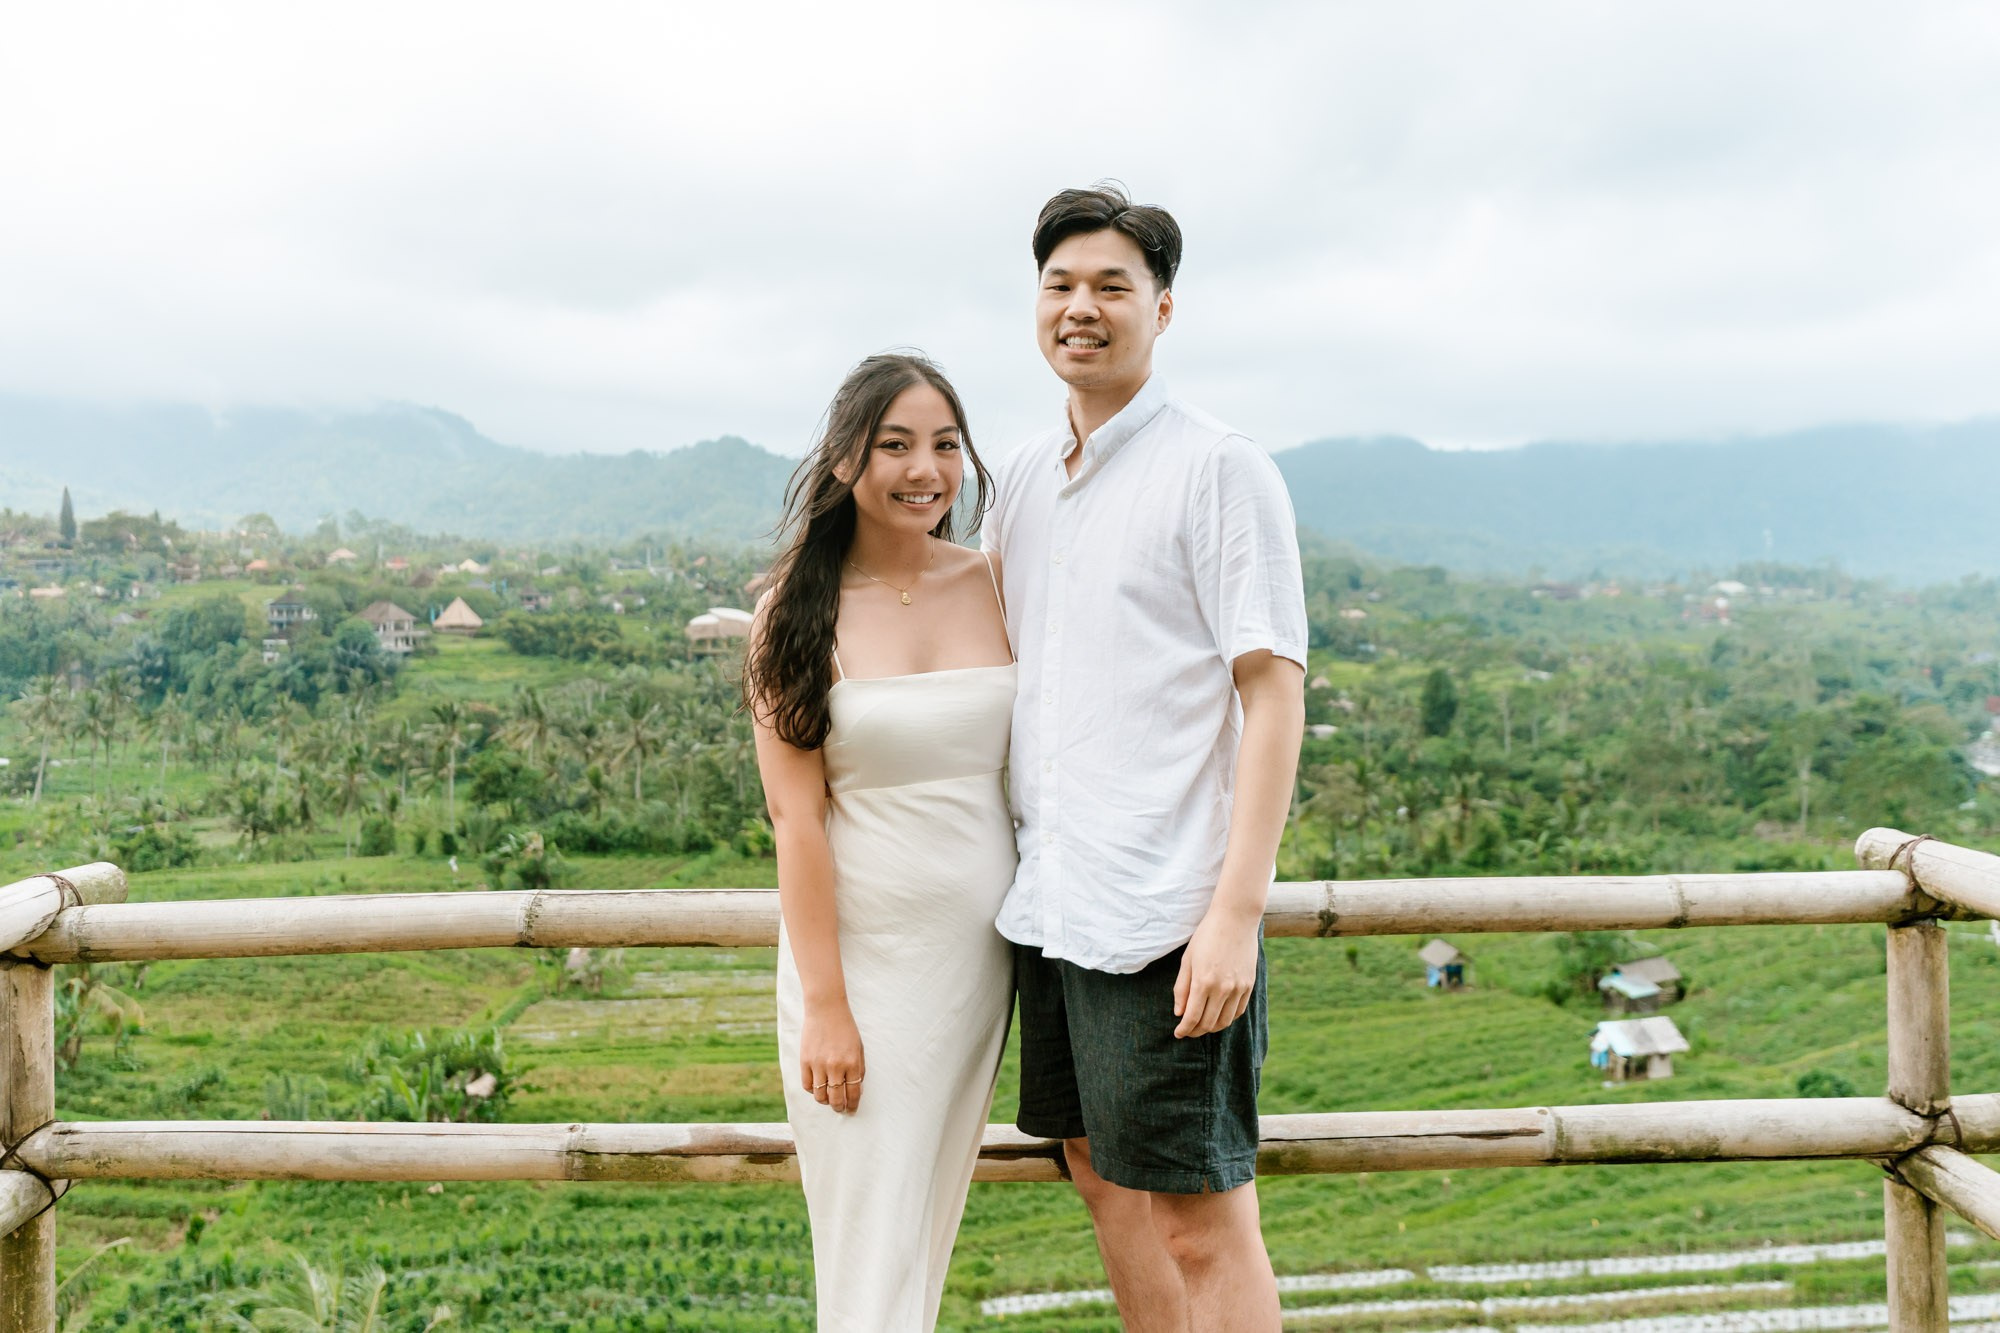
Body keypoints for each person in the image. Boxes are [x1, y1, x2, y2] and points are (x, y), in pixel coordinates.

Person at [985, 185, 1307, 1331]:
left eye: (1110, 286)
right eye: (1059, 284)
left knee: (1197, 1220)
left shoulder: (1218, 468)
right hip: (1051, 902)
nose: (1080, 307)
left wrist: (1233, 915)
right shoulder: (1022, 478)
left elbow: (1272, 693)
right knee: (1099, 1178)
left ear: (1160, 310)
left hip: (1166, 913)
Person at [745, 352, 1017, 1332]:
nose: (925, 469)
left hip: (975, 967)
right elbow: (796, 820)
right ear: (844, 459)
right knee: (869, 1242)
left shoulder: (997, 582)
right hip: (859, 970)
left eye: (945, 444)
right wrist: (826, 1007)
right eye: (895, 445)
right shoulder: (792, 609)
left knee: (920, 1232)